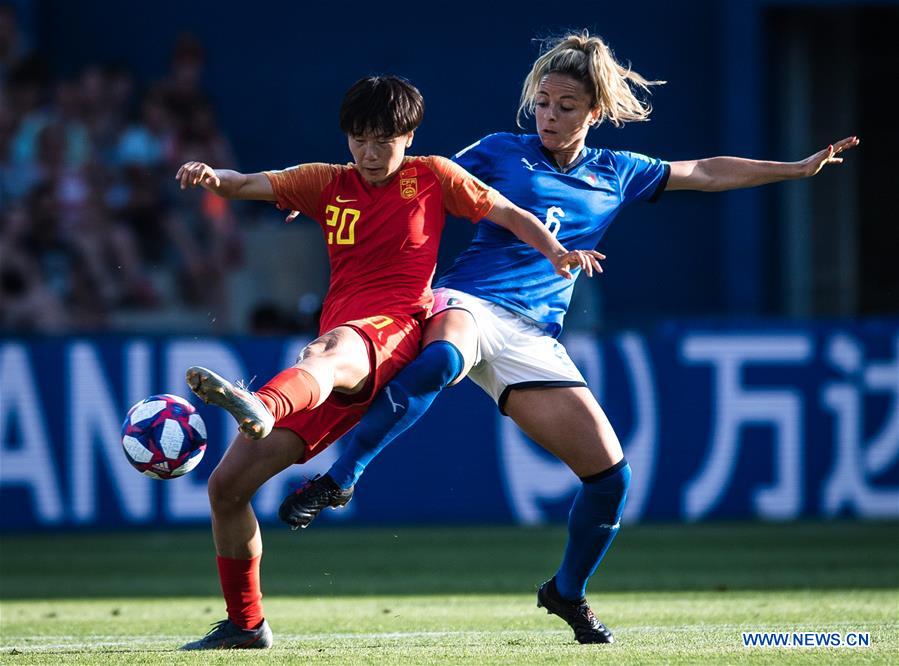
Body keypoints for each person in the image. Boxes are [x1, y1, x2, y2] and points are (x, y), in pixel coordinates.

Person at [278, 32, 860, 644]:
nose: (549, 117)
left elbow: (706, 171)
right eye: (543, 103)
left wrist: (795, 168)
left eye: (565, 106)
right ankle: (340, 479)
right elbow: (414, 179)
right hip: (470, 300)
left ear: (595, 112)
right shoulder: (500, 151)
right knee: (443, 355)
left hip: (534, 336)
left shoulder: (619, 172)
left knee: (611, 478)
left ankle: (567, 592)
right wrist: (331, 194)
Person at [174, 75, 602, 650]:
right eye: (359, 140)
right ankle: (246, 625)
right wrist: (212, 178)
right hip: (332, 369)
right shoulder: (324, 182)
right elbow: (247, 182)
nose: (371, 155)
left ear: (410, 136)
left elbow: (507, 212)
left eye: (384, 141)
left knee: (324, 350)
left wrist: (556, 252)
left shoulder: (432, 176)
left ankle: (263, 405)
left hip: (394, 330)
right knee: (227, 488)